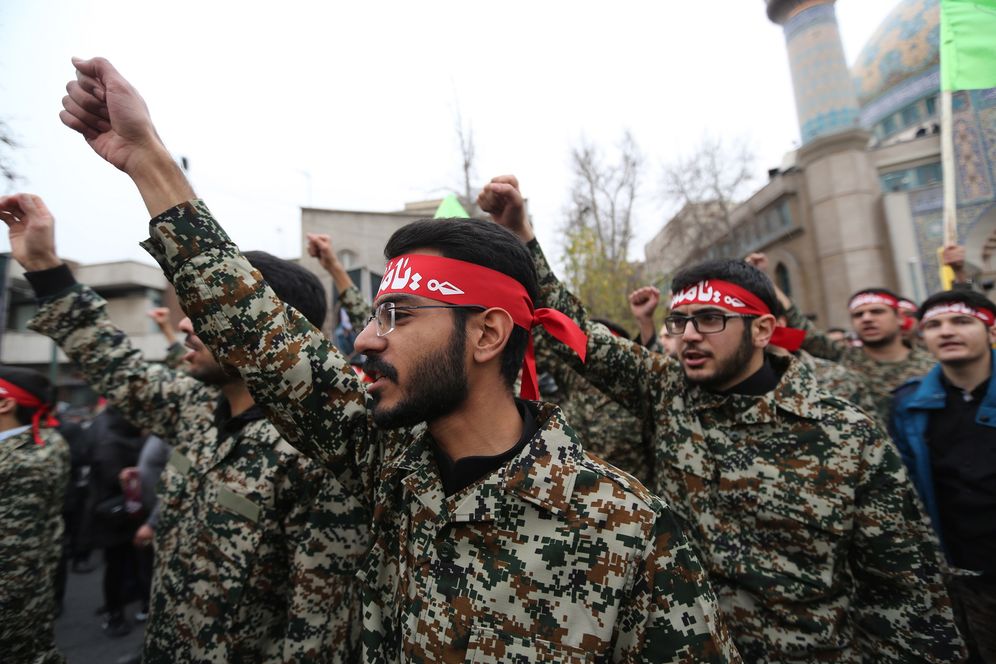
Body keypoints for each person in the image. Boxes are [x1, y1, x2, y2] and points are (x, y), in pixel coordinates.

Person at [58, 56, 741, 662]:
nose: (364, 340)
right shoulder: (386, 464)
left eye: (399, 315)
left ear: (487, 335)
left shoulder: (627, 531)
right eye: (373, 314)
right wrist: (147, 159)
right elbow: (259, 331)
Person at [479, 174, 966, 662]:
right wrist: (521, 234)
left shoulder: (847, 435)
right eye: (679, 320)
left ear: (763, 330)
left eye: (711, 319)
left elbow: (909, 599)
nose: (689, 334)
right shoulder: (666, 390)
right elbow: (574, 331)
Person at [0, 192, 367, 662]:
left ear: (260, 332)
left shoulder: (321, 454)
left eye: (207, 313)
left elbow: (316, 634)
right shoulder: (195, 407)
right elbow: (117, 366)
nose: (186, 325)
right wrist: (45, 268)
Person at [890, 289, 996, 662]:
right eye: (934, 325)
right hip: (965, 578)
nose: (946, 331)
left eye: (961, 321)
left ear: (992, 332)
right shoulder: (908, 404)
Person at [748, 253, 935, 428]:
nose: (867, 319)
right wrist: (763, 279)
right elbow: (800, 328)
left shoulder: (932, 365)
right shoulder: (841, 357)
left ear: (900, 318)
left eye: (877, 311)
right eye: (858, 315)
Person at [0, 365, 70, 664]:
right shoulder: (39, 440)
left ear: (6, 404)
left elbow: (13, 555)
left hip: (12, 604)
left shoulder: (24, 462)